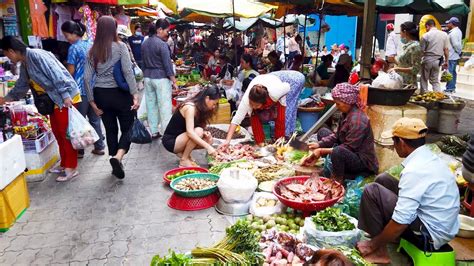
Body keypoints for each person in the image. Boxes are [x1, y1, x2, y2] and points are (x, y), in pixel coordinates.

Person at [356, 118, 460, 264]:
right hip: (441, 225)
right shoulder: (429, 157)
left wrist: (372, 244)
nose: (393, 146)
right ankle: (385, 238)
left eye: (394, 141)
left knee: (372, 191)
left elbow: (401, 221)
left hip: (429, 236)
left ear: (402, 143)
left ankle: (379, 252)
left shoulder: (414, 170)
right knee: (383, 179)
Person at [0, 36, 81, 182]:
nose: (7, 57)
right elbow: (22, 85)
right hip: (53, 99)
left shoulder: (36, 55)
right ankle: (65, 164)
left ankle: (72, 168)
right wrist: (6, 99)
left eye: (6, 54)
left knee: (66, 133)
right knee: (57, 131)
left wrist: (65, 96)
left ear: (12, 51)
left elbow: (56, 74)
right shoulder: (25, 62)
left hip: (64, 97)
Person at [84, 16, 139, 179]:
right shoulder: (121, 46)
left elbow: (86, 78)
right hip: (120, 94)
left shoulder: (92, 51)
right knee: (128, 128)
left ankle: (115, 161)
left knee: (110, 130)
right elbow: (128, 72)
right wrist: (135, 94)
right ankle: (118, 157)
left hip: (101, 94)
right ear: (113, 29)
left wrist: (92, 102)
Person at [302, 83, 378, 181]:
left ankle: (337, 181)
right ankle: (332, 165)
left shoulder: (357, 121)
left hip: (362, 163)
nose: (337, 107)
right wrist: (319, 144)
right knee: (323, 132)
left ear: (348, 102)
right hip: (348, 151)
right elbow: (337, 135)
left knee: (338, 152)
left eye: (338, 104)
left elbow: (348, 148)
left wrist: (321, 151)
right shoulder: (346, 113)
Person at [222, 70, 305, 146]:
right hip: (266, 80)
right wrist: (227, 140)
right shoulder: (247, 100)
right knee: (253, 115)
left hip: (292, 80)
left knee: (285, 114)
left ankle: (285, 140)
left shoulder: (275, 93)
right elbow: (236, 119)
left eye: (256, 105)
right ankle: (261, 143)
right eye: (252, 104)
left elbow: (287, 87)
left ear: (264, 102)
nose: (253, 106)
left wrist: (280, 137)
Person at [61, 20, 105, 158]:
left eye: (67, 35)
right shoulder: (90, 44)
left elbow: (71, 71)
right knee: (94, 119)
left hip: (80, 89)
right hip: (94, 87)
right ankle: (99, 146)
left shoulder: (73, 48)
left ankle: (80, 150)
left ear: (74, 33)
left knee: (79, 120)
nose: (66, 38)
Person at [162, 86, 219, 167]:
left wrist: (207, 137)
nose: (214, 107)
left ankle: (183, 153)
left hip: (181, 138)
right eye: (214, 104)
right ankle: (184, 159)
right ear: (207, 98)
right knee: (198, 131)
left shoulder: (200, 108)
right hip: (171, 141)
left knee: (209, 140)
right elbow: (190, 132)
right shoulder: (190, 107)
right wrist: (208, 147)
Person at [141, 18, 177, 139]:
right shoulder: (162, 44)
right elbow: (167, 65)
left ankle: (154, 131)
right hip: (161, 78)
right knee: (164, 105)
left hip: (147, 77)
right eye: (167, 31)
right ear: (160, 30)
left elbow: (143, 62)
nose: (168, 34)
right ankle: (167, 132)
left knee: (151, 105)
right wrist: (174, 81)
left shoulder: (145, 43)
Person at [388, 21, 422, 89]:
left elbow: (415, 69)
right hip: (402, 82)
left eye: (400, 31)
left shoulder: (415, 46)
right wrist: (394, 61)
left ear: (405, 32)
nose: (400, 34)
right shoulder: (408, 46)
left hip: (409, 85)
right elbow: (406, 64)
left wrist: (397, 69)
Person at [420, 19, 449, 93]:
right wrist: (446, 61)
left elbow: (421, 51)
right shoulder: (444, 35)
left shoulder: (425, 36)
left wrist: (418, 60)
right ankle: (438, 96)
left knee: (424, 79)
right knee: (435, 80)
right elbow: (446, 49)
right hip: (438, 61)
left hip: (427, 60)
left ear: (427, 26)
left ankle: (424, 95)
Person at [445, 17, 463, 93]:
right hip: (454, 55)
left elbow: (456, 44)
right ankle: (452, 87)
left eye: (448, 23)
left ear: (452, 24)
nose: (447, 24)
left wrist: (459, 52)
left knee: (450, 72)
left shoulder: (453, 33)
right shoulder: (457, 31)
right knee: (452, 72)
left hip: (451, 55)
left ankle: (450, 88)